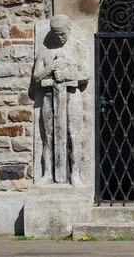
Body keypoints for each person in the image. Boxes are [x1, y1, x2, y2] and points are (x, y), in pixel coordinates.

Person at [33, 15, 91, 186]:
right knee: (48, 137)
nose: (60, 37)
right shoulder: (45, 52)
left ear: (69, 30)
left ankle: (75, 175)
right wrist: (51, 67)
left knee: (74, 135)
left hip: (72, 96)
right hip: (49, 97)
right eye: (56, 34)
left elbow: (86, 74)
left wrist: (67, 75)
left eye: (63, 34)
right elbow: (36, 77)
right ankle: (47, 174)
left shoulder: (80, 48)